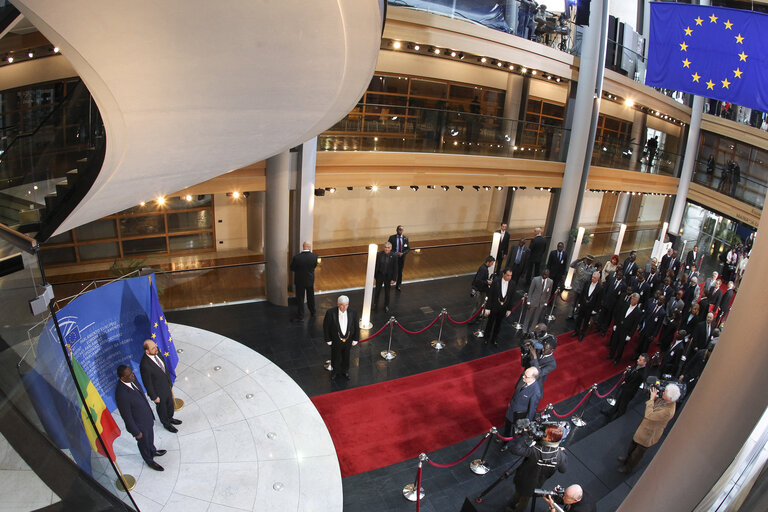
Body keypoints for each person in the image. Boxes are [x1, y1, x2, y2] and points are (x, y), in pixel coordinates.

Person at [618, 383, 680, 473]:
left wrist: (651, 399)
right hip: (644, 428)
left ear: (670, 398)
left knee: (637, 454)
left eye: (665, 392)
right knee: (633, 445)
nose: (663, 392)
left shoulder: (668, 411)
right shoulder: (664, 400)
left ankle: (628, 468)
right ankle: (627, 458)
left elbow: (649, 415)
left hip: (649, 435)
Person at [504, 424, 568, 512]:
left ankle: (515, 508)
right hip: (537, 482)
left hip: (523, 478)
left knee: (523, 500)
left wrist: (526, 435)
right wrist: (564, 453)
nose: (542, 434)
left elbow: (515, 449)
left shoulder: (536, 451)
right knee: (523, 496)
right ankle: (512, 504)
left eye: (545, 434)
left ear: (549, 439)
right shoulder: (560, 456)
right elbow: (563, 470)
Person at [115, 365, 166, 471]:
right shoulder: (121, 394)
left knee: (150, 437)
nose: (133, 375)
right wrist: (136, 432)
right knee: (143, 443)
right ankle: (149, 460)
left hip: (147, 418)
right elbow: (127, 417)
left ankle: (153, 450)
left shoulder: (133, 379)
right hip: (139, 426)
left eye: (132, 372)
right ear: (122, 378)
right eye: (129, 375)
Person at [139, 339, 180, 433]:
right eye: (153, 348)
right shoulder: (144, 365)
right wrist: (154, 397)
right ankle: (166, 423)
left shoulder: (157, 352)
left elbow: (164, 367)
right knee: (162, 409)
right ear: (147, 351)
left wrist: (170, 382)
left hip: (167, 386)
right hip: (158, 392)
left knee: (170, 405)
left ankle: (170, 418)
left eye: (155, 346)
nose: (156, 349)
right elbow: (147, 383)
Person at [500, 366, 541, 445]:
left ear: (533, 378)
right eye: (524, 374)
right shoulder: (523, 380)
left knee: (514, 430)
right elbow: (516, 392)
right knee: (507, 425)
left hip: (519, 415)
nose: (523, 376)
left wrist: (526, 423)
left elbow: (532, 409)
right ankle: (504, 438)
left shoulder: (535, 392)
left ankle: (508, 443)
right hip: (511, 409)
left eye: (526, 376)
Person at [324, 295, 359, 380]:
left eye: (346, 305)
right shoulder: (330, 312)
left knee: (346, 356)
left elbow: (356, 326)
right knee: (335, 356)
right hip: (335, 340)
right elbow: (326, 327)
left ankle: (345, 371)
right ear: (338, 304)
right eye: (342, 305)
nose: (344, 307)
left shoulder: (353, 312)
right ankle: (335, 372)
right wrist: (328, 339)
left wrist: (356, 339)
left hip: (348, 340)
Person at [607, 354, 649, 421]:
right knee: (619, 401)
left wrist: (625, 384)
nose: (638, 360)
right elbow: (631, 374)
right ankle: (611, 412)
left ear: (644, 362)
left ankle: (618, 419)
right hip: (626, 387)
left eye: (640, 360)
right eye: (638, 358)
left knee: (622, 405)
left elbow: (633, 384)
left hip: (629, 391)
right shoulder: (638, 365)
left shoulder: (642, 374)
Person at [607, 293, 642, 365]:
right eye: (632, 298)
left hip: (626, 331)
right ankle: (611, 354)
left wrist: (630, 335)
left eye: (634, 299)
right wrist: (615, 324)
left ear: (637, 301)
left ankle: (617, 359)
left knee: (621, 346)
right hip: (619, 327)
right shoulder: (625, 304)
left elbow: (635, 325)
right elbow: (619, 315)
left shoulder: (638, 312)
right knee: (614, 342)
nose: (632, 300)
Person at [485, 268, 516, 346]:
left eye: (511, 276)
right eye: (508, 275)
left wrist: (509, 309)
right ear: (503, 274)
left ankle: (494, 339)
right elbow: (490, 294)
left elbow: (512, 297)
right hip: (494, 307)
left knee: (498, 325)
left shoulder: (512, 284)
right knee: (490, 323)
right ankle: (486, 338)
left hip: (503, 308)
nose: (509, 277)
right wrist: (488, 308)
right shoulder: (496, 282)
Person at [290, 241, 318, 322]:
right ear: (309, 247)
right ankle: (313, 312)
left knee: (300, 298)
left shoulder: (297, 257)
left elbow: (292, 268)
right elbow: (314, 266)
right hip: (310, 280)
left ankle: (301, 315)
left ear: (303, 246)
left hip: (300, 281)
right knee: (311, 297)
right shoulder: (314, 256)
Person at [573, 271, 601, 341]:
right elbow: (582, 293)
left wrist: (595, 310)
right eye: (592, 277)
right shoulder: (587, 283)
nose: (592, 279)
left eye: (594, 278)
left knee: (586, 321)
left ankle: (582, 334)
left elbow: (599, 300)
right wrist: (579, 303)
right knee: (579, 319)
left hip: (590, 308)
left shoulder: (600, 288)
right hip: (583, 305)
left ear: (598, 279)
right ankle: (576, 331)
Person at [523, 269, 553, 335]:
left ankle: (531, 331)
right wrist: (528, 302)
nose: (545, 276)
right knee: (528, 317)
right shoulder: (535, 279)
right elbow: (530, 291)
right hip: (533, 301)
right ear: (542, 273)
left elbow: (549, 294)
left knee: (536, 318)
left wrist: (545, 303)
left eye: (546, 275)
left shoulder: (550, 282)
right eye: (544, 274)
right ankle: (524, 330)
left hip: (541, 304)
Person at [597, 269, 625, 336]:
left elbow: (620, 298)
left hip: (613, 305)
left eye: (620, 275)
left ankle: (604, 330)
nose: (618, 276)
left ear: (622, 276)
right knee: (602, 315)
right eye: (618, 275)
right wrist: (603, 299)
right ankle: (598, 327)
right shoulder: (611, 280)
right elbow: (605, 289)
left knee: (608, 318)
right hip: (606, 301)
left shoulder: (623, 285)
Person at [373, 241, 398, 313]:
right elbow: (376, 265)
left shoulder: (394, 256)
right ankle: (375, 304)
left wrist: (394, 279)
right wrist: (374, 275)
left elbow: (395, 268)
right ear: (384, 247)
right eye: (385, 247)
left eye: (388, 248)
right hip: (380, 275)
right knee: (377, 291)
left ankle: (386, 306)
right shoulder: (379, 254)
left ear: (391, 248)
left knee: (387, 292)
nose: (387, 249)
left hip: (388, 277)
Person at [388, 225, 410, 291]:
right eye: (399, 229)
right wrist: (395, 253)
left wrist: (403, 253)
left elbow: (408, 249)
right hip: (394, 257)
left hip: (401, 258)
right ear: (396, 230)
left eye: (401, 229)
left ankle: (398, 285)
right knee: (391, 270)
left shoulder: (405, 238)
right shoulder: (392, 238)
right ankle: (389, 283)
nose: (400, 230)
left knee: (400, 272)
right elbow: (388, 247)